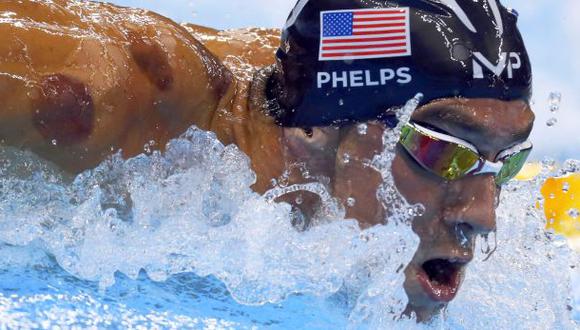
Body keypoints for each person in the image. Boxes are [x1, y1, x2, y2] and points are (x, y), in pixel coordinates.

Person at [0, 0, 535, 321]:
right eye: (442, 151)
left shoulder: (310, 101)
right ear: (313, 131)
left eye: (504, 163)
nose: (484, 214)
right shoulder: (100, 98)